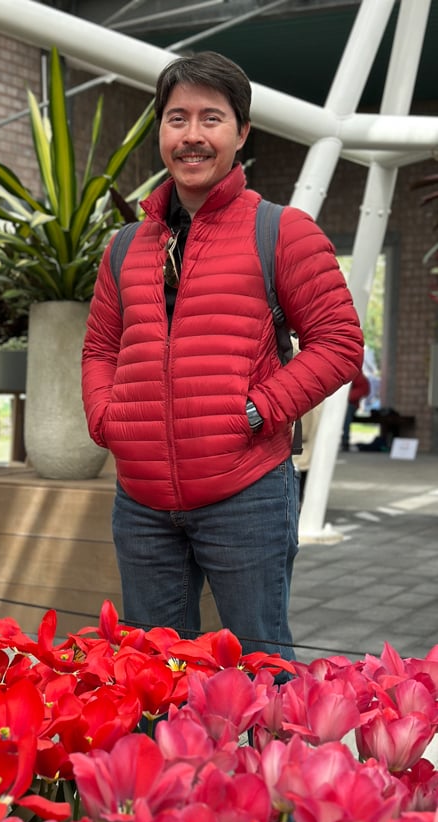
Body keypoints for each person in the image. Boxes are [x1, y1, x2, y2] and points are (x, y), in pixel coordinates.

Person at [82, 51, 364, 658]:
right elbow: (102, 345)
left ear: (241, 132)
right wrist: (108, 419)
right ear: (160, 130)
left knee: (264, 674)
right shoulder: (126, 245)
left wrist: (257, 412)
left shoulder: (282, 231)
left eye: (211, 118)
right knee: (150, 680)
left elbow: (340, 344)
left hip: (247, 495)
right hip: (143, 503)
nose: (192, 136)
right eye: (177, 118)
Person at [341, 369, 371, 452]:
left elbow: (364, 389)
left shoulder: (355, 372)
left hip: (350, 403)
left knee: (346, 412)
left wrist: (347, 397)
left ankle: (345, 441)